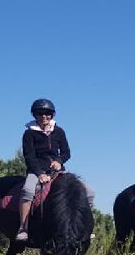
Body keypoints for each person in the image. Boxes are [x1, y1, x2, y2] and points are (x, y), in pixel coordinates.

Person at [16, 99, 95, 242]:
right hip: (37, 171)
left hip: (58, 172)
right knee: (27, 191)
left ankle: (84, 226)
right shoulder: (29, 134)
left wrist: (59, 161)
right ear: (35, 115)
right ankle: (23, 227)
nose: (44, 116)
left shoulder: (58, 131)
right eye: (40, 113)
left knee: (89, 192)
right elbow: (29, 156)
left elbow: (66, 152)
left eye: (47, 113)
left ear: (52, 115)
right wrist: (39, 173)